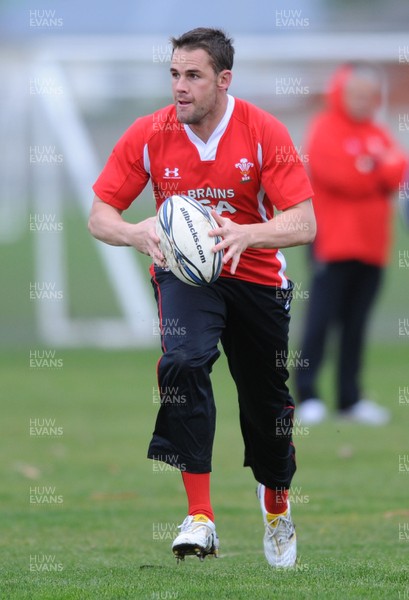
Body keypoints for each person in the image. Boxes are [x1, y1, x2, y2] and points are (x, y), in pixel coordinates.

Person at [89, 27, 315, 568]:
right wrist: (138, 233)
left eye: (193, 75)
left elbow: (304, 221)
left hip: (257, 277)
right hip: (184, 277)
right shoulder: (149, 133)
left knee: (266, 406)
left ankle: (277, 503)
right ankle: (200, 517)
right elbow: (100, 216)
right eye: (174, 74)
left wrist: (246, 234)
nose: (180, 87)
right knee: (183, 361)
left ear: (223, 79)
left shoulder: (264, 131)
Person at [295, 63, 407, 426]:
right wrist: (374, 168)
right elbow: (341, 176)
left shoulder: (378, 131)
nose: (363, 101)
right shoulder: (324, 128)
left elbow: (397, 172)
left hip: (373, 247)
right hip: (333, 244)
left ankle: (349, 398)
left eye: (368, 95)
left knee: (356, 324)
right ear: (342, 93)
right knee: (321, 320)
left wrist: (372, 167)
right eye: (356, 93)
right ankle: (308, 394)